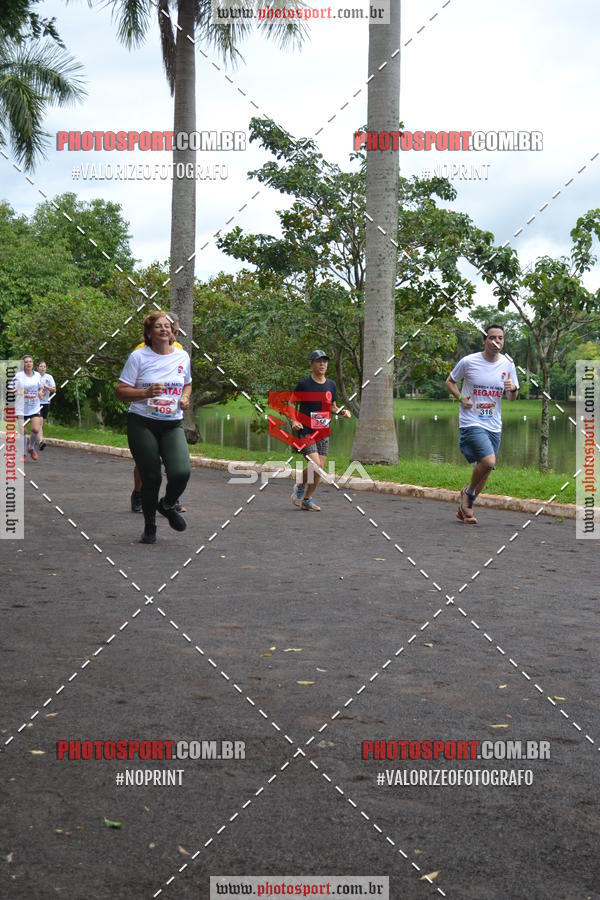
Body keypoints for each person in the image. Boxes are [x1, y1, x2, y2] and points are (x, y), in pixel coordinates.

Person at [116, 310, 192, 544]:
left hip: (172, 423)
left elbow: (187, 384)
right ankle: (150, 526)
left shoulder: (182, 357)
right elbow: (120, 390)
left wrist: (185, 398)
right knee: (152, 478)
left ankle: (167, 505)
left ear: (173, 332)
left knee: (181, 473)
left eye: (167, 326)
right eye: (158, 326)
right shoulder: (138, 357)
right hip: (142, 423)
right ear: (149, 333)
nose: (164, 329)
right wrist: (145, 393)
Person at [445, 324, 519, 524]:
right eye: (493, 337)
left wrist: (512, 389)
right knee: (489, 461)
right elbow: (450, 381)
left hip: (494, 424)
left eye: (501, 338)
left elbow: (512, 397)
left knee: (486, 468)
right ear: (484, 340)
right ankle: (468, 495)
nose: (497, 341)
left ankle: (465, 507)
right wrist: (461, 397)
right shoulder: (469, 362)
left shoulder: (508, 364)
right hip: (472, 421)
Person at [129, 313, 185, 514]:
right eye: (162, 327)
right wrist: (145, 393)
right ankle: (139, 493)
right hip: (144, 415)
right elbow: (129, 383)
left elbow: (185, 380)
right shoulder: (141, 351)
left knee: (173, 461)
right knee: (146, 463)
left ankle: (172, 499)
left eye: (173, 329)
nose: (171, 332)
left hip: (170, 417)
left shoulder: (180, 351)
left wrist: (184, 398)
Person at [289, 349, 351, 511]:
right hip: (306, 430)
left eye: (324, 361)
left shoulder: (331, 385)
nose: (322, 364)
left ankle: (306, 500)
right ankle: (300, 488)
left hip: (323, 431)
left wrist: (342, 411)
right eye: (318, 361)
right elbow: (291, 403)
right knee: (315, 464)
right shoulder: (304, 384)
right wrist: (294, 420)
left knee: (319, 469)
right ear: (311, 364)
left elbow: (333, 406)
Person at [13, 355, 44, 462]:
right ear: (23, 364)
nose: (28, 363)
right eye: (26, 362)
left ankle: (31, 448)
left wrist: (40, 392)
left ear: (33, 363)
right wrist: (20, 392)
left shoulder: (37, 376)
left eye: (30, 361)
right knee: (23, 432)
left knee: (35, 429)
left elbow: (41, 387)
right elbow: (11, 390)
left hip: (34, 407)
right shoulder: (18, 376)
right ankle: (23, 454)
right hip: (21, 408)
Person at [37, 360, 56, 450]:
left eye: (44, 366)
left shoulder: (49, 377)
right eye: (41, 366)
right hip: (36, 403)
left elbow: (54, 390)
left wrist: (47, 387)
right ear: (38, 368)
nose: (43, 368)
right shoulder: (34, 377)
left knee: (42, 423)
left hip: (46, 402)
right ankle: (41, 442)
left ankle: (37, 436)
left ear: (46, 368)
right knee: (40, 422)